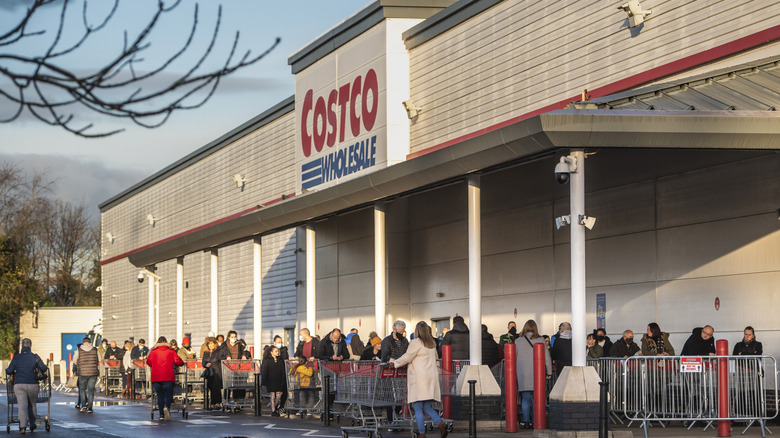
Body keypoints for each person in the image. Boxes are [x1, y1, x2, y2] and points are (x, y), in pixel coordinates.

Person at [390, 321, 448, 438]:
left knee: (417, 407)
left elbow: (408, 356)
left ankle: (422, 433)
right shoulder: (431, 343)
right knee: (426, 406)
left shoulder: (416, 342)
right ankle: (440, 422)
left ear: (417, 331)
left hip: (419, 379)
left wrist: (395, 363)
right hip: (430, 378)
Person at [515, 320, 551, 429]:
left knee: (525, 397)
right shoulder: (540, 340)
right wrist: (549, 371)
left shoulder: (518, 341)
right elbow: (547, 357)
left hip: (522, 373)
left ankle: (526, 421)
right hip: (537, 373)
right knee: (537, 398)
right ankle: (537, 421)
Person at [5, 338, 47, 434]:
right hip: (33, 384)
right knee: (32, 405)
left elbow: (9, 371)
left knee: (22, 405)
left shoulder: (16, 357)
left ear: (22, 346)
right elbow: (44, 368)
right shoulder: (35, 357)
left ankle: (22, 427)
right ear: (30, 346)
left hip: (19, 384)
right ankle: (32, 425)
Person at [147, 336, 184, 420]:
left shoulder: (153, 351)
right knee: (168, 394)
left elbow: (148, 362)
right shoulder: (171, 351)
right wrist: (182, 363)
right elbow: (178, 361)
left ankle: (161, 415)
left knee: (160, 395)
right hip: (168, 376)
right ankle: (167, 406)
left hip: (156, 377)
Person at [73, 336, 99, 413]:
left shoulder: (79, 350)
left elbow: (74, 360)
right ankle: (90, 407)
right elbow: (100, 359)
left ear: (83, 342)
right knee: (91, 390)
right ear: (90, 342)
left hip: (82, 373)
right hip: (93, 372)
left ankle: (84, 405)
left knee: (82, 389)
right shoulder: (95, 349)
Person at [261, 345, 287, 416]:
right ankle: (273, 410)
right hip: (271, 380)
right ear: (271, 352)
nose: (277, 352)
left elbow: (283, 371)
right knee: (272, 395)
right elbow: (265, 371)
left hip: (278, 380)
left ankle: (275, 406)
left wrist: (283, 380)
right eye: (275, 351)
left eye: (278, 351)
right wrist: (264, 381)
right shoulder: (267, 361)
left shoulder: (280, 360)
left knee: (279, 395)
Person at [201, 337, 223, 409]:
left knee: (216, 387)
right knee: (211, 387)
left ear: (215, 344)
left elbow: (220, 359)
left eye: (212, 344)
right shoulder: (206, 352)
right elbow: (203, 362)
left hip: (217, 371)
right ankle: (212, 403)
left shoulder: (218, 351)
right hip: (209, 372)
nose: (210, 346)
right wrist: (206, 364)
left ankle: (218, 403)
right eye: (209, 344)